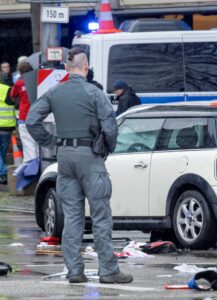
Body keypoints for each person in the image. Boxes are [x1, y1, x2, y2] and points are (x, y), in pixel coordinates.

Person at [26, 47, 133, 284]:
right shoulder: (94, 93)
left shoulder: (55, 92)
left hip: (64, 157)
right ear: (86, 68)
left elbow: (32, 120)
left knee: (72, 217)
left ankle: (74, 271)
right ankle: (108, 270)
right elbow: (111, 127)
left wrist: (52, 143)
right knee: (100, 216)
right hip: (90, 156)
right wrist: (108, 147)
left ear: (66, 68)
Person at [10, 61, 39, 163]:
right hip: (38, 116)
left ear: (20, 71)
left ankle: (31, 168)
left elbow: (12, 97)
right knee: (37, 143)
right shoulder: (38, 79)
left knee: (27, 143)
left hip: (24, 117)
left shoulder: (19, 83)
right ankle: (38, 166)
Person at [0, 73, 16, 184]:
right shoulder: (11, 90)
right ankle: (3, 174)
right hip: (8, 127)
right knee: (2, 152)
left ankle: (3, 172)